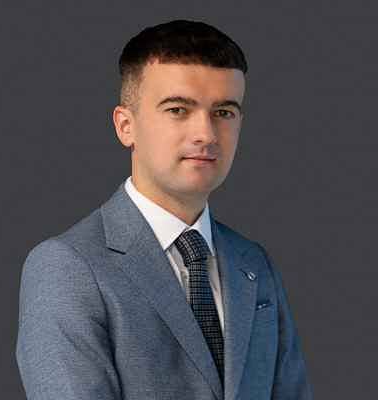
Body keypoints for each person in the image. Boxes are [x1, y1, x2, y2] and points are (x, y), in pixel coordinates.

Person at [16, 19, 314, 400]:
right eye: (178, 109)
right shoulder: (67, 268)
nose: (205, 134)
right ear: (126, 126)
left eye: (224, 112)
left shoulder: (254, 263)